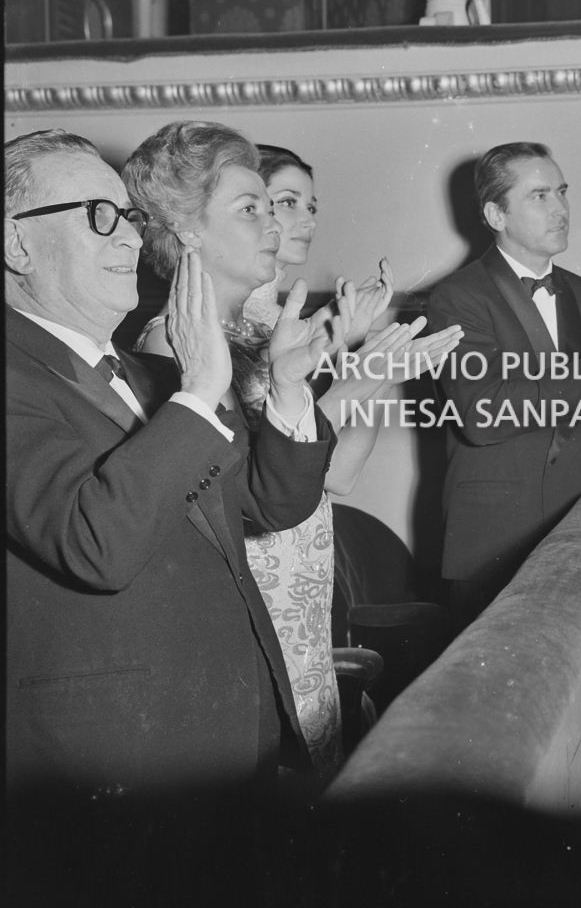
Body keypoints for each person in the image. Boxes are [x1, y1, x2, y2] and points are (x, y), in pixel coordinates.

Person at [4, 128, 339, 804]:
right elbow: (93, 541)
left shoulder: (150, 373)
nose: (129, 237)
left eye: (127, 216)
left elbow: (270, 504)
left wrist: (289, 388)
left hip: (228, 734)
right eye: (98, 217)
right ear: (15, 244)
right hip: (109, 763)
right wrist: (201, 390)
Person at [124, 123, 462, 778]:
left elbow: (324, 470)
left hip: (295, 594)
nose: (282, 225)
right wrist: (359, 375)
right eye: (258, 208)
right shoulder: (171, 346)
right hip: (244, 609)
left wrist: (370, 369)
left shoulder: (252, 335)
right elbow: (245, 497)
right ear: (187, 230)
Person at [427, 142, 581, 628]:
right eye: (539, 196)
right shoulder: (457, 298)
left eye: (561, 191)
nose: (560, 209)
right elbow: (484, 417)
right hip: (492, 541)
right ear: (496, 214)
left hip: (575, 526)